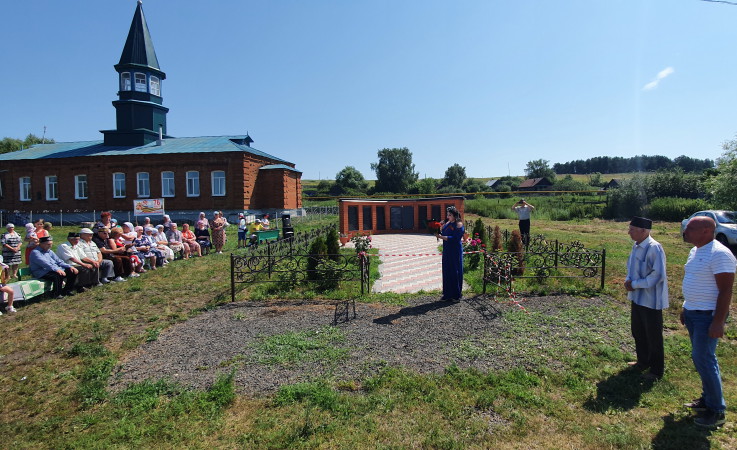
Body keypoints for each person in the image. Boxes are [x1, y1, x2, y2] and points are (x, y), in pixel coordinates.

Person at [681, 216, 736, 428]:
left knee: (704, 358)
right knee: (701, 359)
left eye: (690, 228)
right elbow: (694, 279)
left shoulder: (720, 254)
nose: (685, 231)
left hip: (708, 316)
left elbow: (726, 290)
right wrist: (686, 306)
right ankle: (707, 400)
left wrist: (718, 322)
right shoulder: (695, 251)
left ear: (705, 230)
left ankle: (717, 411)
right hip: (693, 312)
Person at [624, 216, 668, 380]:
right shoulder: (636, 246)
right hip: (637, 298)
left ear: (644, 231)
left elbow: (657, 275)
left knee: (653, 335)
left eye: (632, 230)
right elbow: (631, 267)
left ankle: (656, 370)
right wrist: (628, 281)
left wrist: (634, 284)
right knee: (638, 331)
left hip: (651, 300)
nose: (629, 232)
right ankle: (643, 361)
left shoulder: (654, 248)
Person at [436, 206, 464, 301]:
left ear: (455, 215)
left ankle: (456, 295)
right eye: (447, 215)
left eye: (450, 215)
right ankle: (447, 294)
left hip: (455, 250)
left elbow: (455, 239)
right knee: (447, 270)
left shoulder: (459, 224)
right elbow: (443, 232)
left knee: (454, 271)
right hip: (447, 249)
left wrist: (441, 237)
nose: (448, 217)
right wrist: (438, 228)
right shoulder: (448, 223)